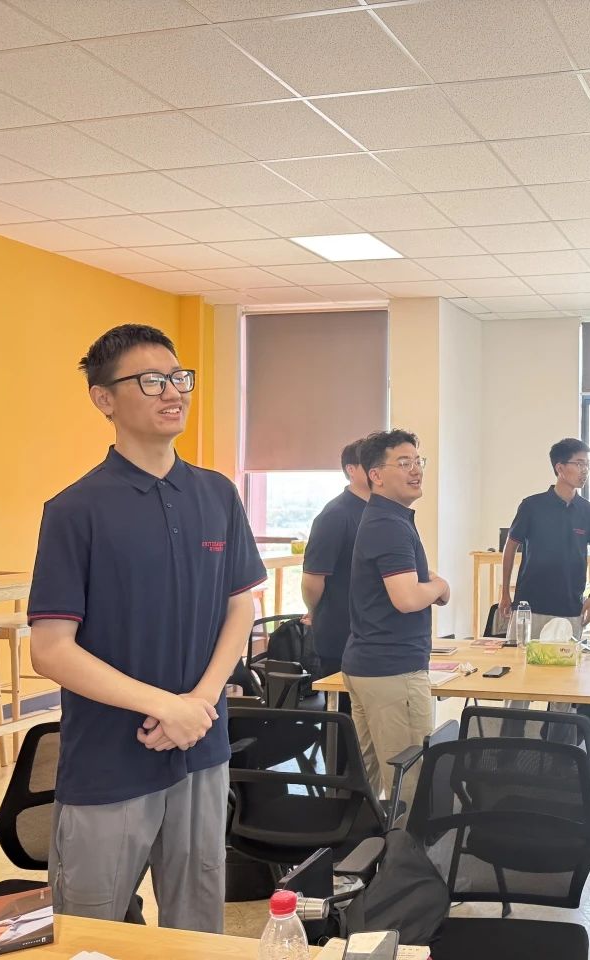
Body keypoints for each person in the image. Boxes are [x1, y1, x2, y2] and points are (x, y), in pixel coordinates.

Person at [28, 324, 266, 933]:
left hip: (202, 747)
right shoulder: (76, 509)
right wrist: (166, 707)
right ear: (103, 398)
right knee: (91, 931)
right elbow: (51, 650)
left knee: (198, 927)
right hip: (110, 758)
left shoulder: (216, 494)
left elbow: (241, 606)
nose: (174, 392)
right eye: (151, 380)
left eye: (179, 377)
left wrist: (198, 704)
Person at [341, 429, 448, 806]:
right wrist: (439, 586)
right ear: (376, 475)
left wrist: (427, 585)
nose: (416, 470)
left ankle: (363, 845)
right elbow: (406, 598)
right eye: (404, 463)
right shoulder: (388, 525)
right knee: (410, 784)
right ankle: (405, 846)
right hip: (392, 670)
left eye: (418, 461)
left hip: (370, 665)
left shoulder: (387, 519)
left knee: (368, 783)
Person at [499, 438, 590, 640]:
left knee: (567, 660)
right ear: (560, 468)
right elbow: (510, 546)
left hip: (570, 607)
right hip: (530, 605)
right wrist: (505, 592)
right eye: (579, 464)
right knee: (520, 657)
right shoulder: (532, 506)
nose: (585, 470)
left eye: (588, 465)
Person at [301, 439, 369, 681]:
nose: (377, 470)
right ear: (351, 470)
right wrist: (314, 611)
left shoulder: (379, 511)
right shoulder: (336, 514)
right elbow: (312, 580)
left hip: (373, 635)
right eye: (370, 463)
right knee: (345, 702)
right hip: (342, 635)